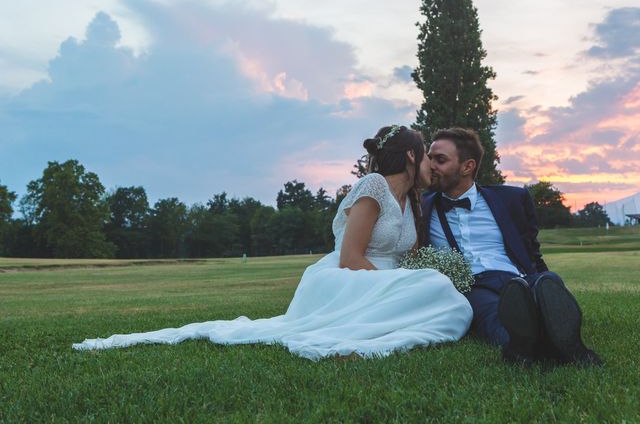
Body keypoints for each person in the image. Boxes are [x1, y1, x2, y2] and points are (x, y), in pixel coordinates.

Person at [73, 125, 473, 360]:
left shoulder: (413, 201)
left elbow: (405, 258)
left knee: (446, 294)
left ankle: (390, 322)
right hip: (347, 277)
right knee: (434, 288)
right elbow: (351, 257)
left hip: (379, 279)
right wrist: (397, 284)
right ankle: (358, 339)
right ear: (409, 156)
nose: (431, 169)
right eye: (427, 159)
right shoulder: (373, 186)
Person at [421, 127, 601, 365]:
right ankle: (525, 346)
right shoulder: (421, 208)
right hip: (473, 285)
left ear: (468, 166)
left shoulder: (512, 199)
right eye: (429, 158)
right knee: (493, 315)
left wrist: (542, 277)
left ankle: (561, 333)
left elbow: (531, 249)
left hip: (516, 277)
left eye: (440, 160)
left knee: (548, 282)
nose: (431, 165)